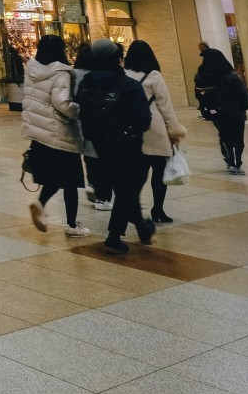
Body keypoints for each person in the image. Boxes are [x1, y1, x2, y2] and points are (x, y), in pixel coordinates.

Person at [73, 38, 154, 254]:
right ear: (117, 59)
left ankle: (142, 226)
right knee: (128, 188)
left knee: (123, 188)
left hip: (99, 144)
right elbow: (144, 118)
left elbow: (81, 110)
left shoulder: (86, 83)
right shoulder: (127, 84)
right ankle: (114, 235)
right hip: (127, 144)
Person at [22, 34, 89, 238]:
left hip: (39, 134)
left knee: (55, 176)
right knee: (70, 180)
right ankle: (71, 224)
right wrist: (79, 110)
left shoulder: (32, 69)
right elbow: (62, 103)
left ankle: (40, 204)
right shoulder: (61, 71)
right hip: (59, 132)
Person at [124, 40, 186, 224]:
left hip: (133, 128)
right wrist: (174, 130)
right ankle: (157, 209)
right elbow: (164, 105)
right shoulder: (154, 76)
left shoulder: (124, 74)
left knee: (137, 174)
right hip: (155, 127)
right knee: (159, 173)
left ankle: (132, 208)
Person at [197, 47, 248, 173]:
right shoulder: (230, 75)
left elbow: (198, 94)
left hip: (216, 112)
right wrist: (244, 108)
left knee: (224, 135)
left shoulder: (201, 75)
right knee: (237, 136)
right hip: (234, 111)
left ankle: (229, 158)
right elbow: (242, 94)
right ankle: (236, 162)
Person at [72, 43, 111, 210]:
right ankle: (102, 193)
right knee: (100, 156)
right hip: (98, 121)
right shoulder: (99, 75)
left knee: (89, 155)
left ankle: (93, 183)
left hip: (78, 120)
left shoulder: (71, 75)